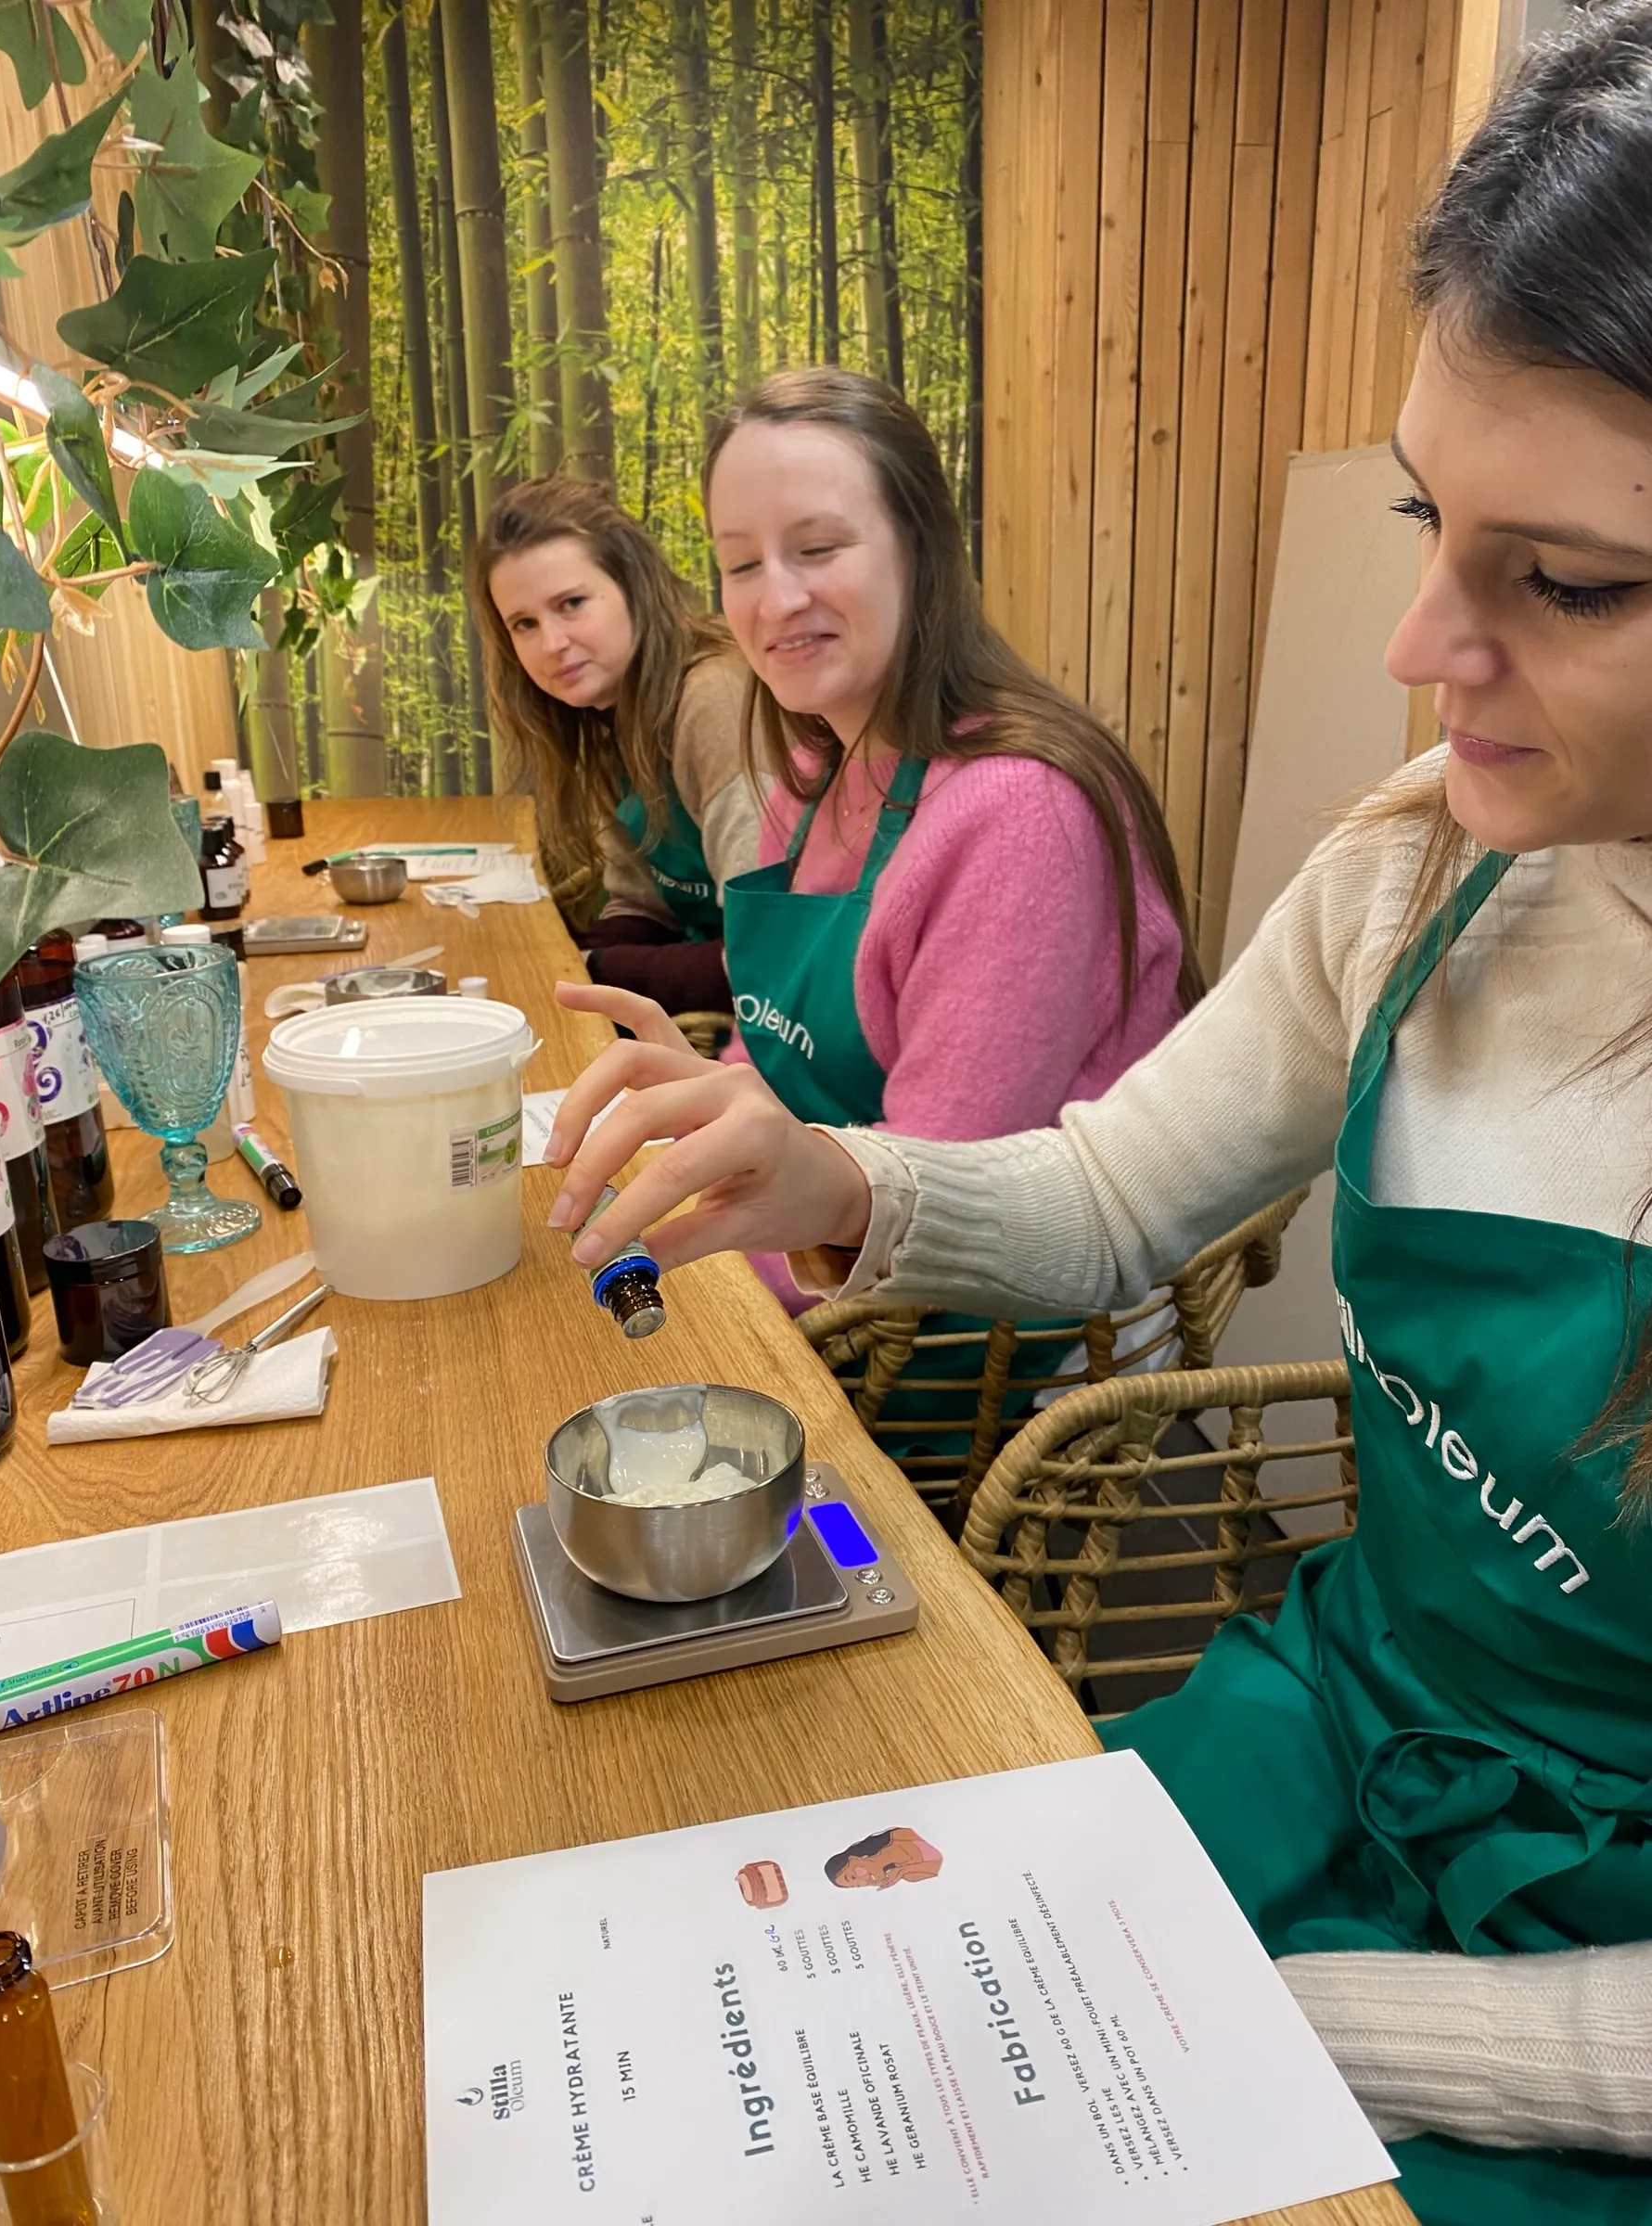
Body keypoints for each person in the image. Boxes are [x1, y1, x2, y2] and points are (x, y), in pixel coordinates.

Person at [543, 10, 1652, 2220]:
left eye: (1576, 581)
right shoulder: (1424, 865)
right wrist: (833, 1170)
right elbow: (1121, 1182)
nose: (1422, 642)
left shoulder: (1010, 803)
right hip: (1349, 1699)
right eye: (1433, 520)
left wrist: (1256, 2025)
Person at [557, 368, 1199, 1441]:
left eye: (818, 548)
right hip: (837, 1277)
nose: (775, 599)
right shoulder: (813, 777)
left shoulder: (1015, 813)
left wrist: (686, 1252)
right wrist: (690, 1131)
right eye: (740, 565)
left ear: (922, 546)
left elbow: (939, 1199)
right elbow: (770, 1058)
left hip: (994, 1347)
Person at [475, 477, 764, 1016]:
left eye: (573, 603)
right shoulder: (609, 713)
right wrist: (564, 965)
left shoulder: (713, 699)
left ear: (635, 586)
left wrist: (595, 970)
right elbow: (643, 903)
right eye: (525, 624)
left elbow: (765, 961)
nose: (552, 644)